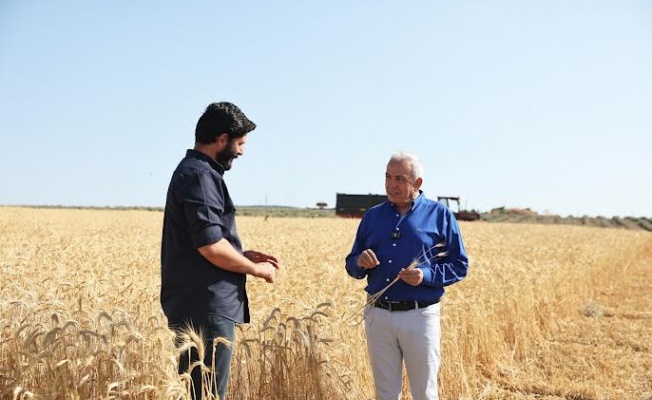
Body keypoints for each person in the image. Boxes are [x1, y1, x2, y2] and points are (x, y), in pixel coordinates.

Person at [161, 102, 280, 400]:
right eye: (239, 144)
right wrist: (258, 270)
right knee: (208, 395)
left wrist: (242, 255)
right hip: (207, 307)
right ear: (222, 139)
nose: (241, 152)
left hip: (198, 303)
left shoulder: (194, 173)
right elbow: (211, 246)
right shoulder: (200, 176)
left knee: (199, 394)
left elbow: (207, 239)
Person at [345, 151, 469, 400]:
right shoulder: (372, 217)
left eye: (400, 179)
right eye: (388, 177)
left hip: (420, 316)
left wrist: (425, 276)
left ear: (418, 183)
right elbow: (351, 264)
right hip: (378, 314)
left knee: (424, 393)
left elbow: (459, 265)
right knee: (385, 393)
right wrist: (360, 262)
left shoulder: (440, 215)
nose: (392, 185)